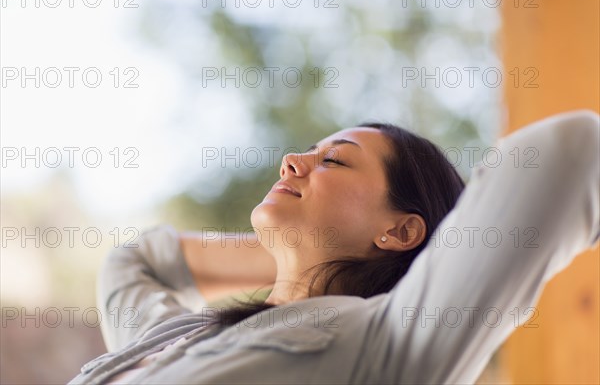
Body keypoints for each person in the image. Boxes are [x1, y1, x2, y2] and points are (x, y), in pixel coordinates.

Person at [68, 110, 599, 385]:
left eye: (335, 160)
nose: (293, 161)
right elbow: (137, 262)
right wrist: (291, 254)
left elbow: (571, 152)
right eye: (308, 152)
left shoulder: (384, 346)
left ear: (400, 232)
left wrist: (318, 253)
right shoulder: (177, 335)